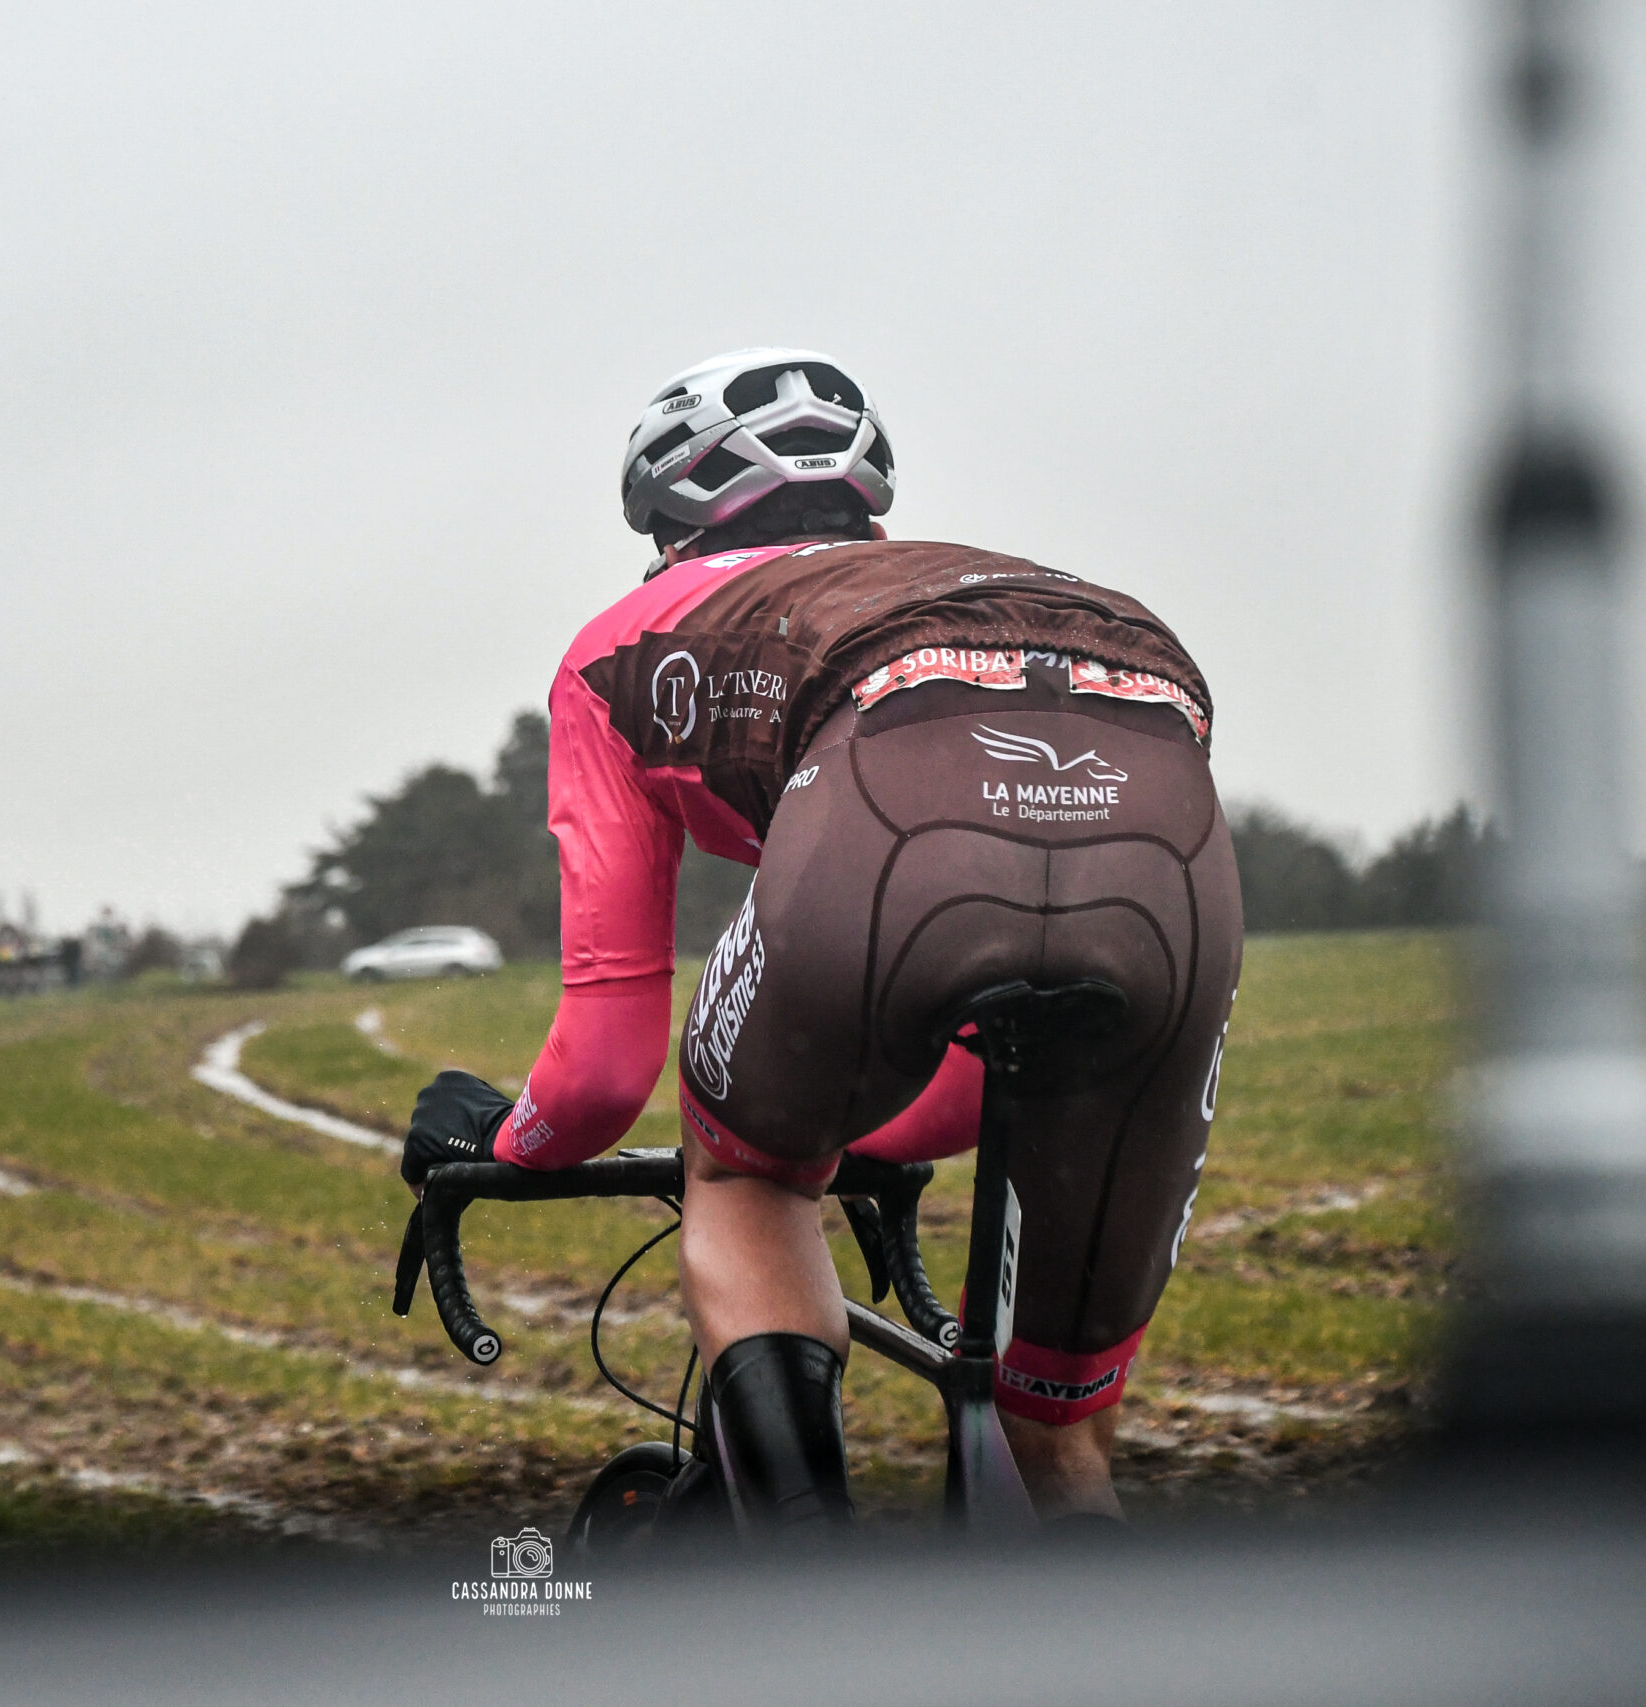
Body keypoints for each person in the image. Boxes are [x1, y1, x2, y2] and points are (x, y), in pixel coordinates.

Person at [399, 349, 1241, 1537]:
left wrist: (502, 1139)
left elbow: (599, 1074)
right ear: (866, 510)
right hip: (1170, 837)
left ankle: (804, 1579)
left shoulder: (614, 648)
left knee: (744, 1178)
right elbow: (964, 1090)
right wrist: (868, 1128)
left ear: (670, 523)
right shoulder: (971, 576)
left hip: (884, 823)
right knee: (1053, 1432)